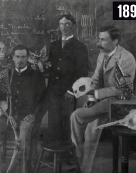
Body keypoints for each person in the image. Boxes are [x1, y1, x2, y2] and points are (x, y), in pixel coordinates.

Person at [70, 25, 135, 173]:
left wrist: (96, 94)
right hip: (103, 101)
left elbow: (124, 89)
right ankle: (80, 165)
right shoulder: (102, 54)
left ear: (115, 41)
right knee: (89, 131)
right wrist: (92, 97)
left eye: (103, 40)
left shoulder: (127, 58)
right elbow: (95, 80)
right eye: (99, 39)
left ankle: (79, 163)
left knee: (76, 116)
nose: (98, 43)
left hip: (118, 102)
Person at [0, 45, 46, 173]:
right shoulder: (5, 74)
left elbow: (43, 100)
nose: (20, 60)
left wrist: (34, 114)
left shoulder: (37, 76)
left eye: (23, 57)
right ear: (13, 58)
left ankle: (24, 170)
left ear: (28, 58)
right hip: (6, 117)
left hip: (27, 117)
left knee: (24, 134)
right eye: (17, 57)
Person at [44, 14, 89, 143]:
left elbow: (82, 72)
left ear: (73, 26)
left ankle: (68, 154)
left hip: (68, 92)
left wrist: (70, 91)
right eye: (61, 24)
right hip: (53, 90)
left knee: (68, 122)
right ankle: (54, 153)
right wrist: (43, 66)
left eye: (67, 24)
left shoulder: (80, 47)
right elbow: (51, 66)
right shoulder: (54, 45)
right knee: (53, 122)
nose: (64, 27)